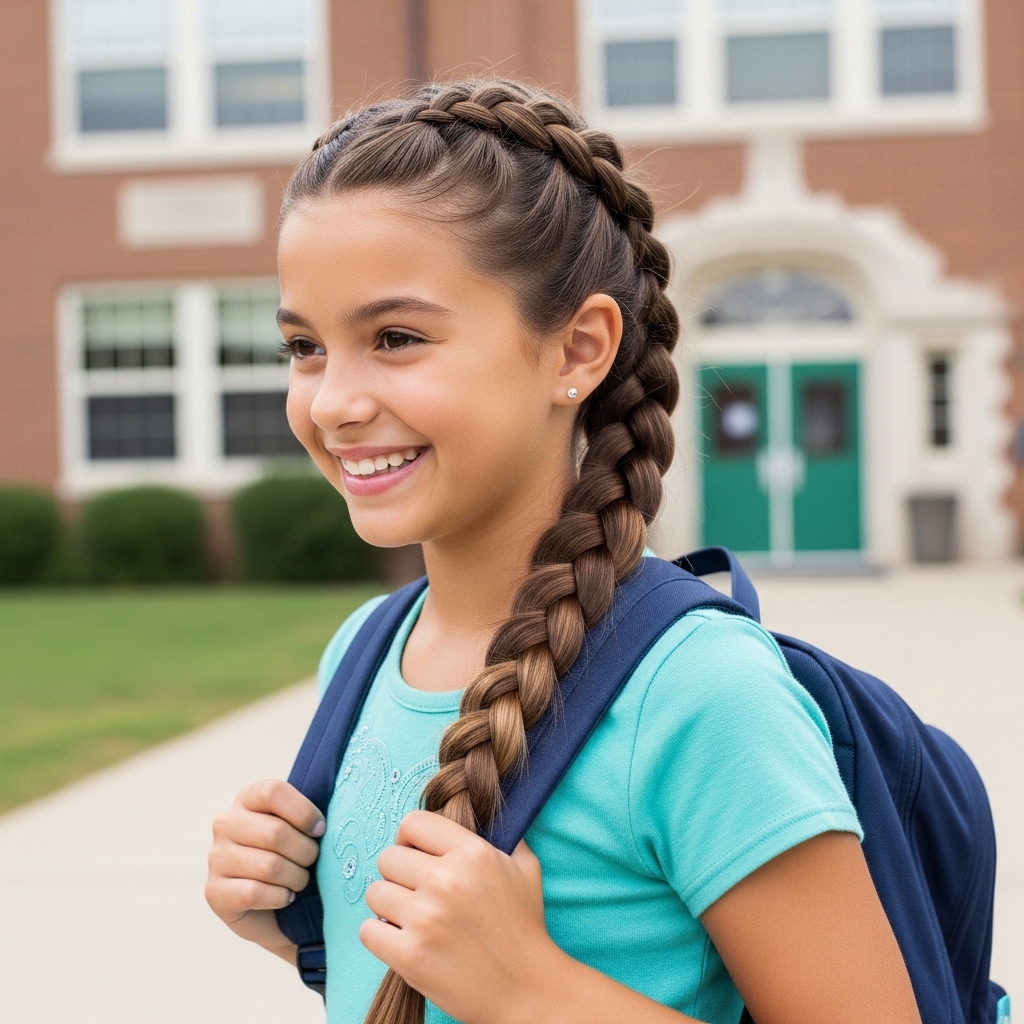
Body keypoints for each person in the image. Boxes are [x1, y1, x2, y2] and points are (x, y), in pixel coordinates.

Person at [205, 79, 922, 1024]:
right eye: (305, 346)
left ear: (578, 351)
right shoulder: (366, 650)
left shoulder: (699, 695)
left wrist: (532, 990)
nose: (333, 401)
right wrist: (295, 921)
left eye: (397, 336)